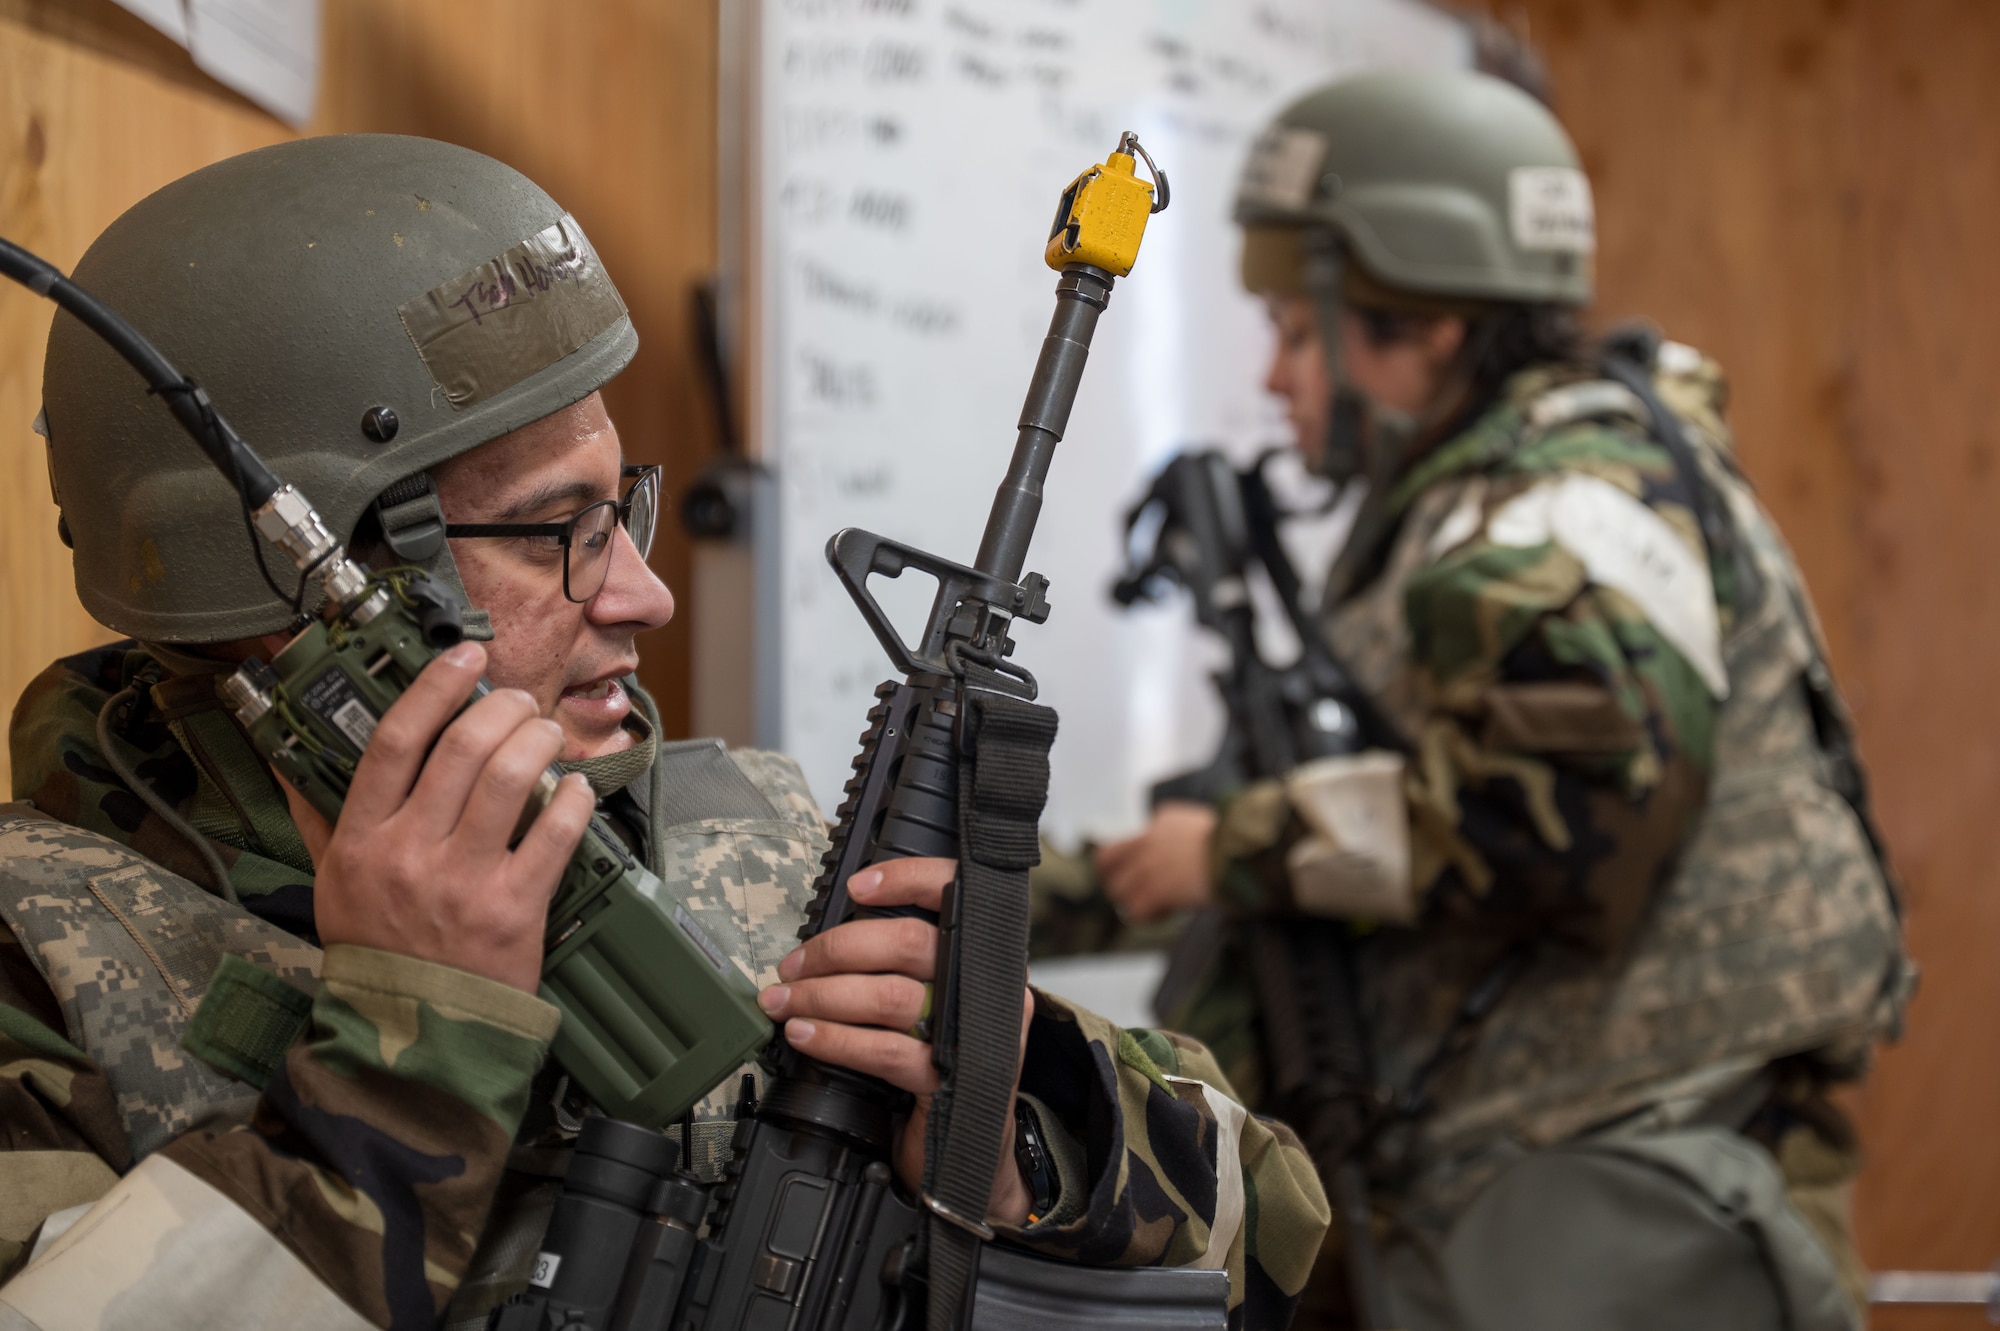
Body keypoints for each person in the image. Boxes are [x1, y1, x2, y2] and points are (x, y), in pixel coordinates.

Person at [0, 135, 1328, 1330]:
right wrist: (412, 1054)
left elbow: (1279, 1223)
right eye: (548, 531)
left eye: (616, 505)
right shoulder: (41, 958)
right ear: (302, 586)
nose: (645, 592)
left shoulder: (745, 834)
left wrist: (1023, 1134)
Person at [1089, 71, 1911, 1330]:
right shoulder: (1490, 502)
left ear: (1418, 322)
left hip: (1623, 1213)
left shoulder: (1561, 512)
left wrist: (1241, 847)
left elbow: (1560, 831)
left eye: (1296, 331)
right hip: (1552, 1201)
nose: (1272, 376)